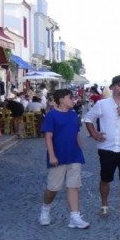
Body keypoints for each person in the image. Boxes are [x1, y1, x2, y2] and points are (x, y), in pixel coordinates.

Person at [84, 75, 120, 224]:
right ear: (112, 87)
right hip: (106, 148)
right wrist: (94, 134)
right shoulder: (102, 104)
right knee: (105, 179)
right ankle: (104, 204)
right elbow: (88, 119)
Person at [38, 89, 89, 229]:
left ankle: (75, 216)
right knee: (53, 188)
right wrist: (52, 155)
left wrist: (79, 145)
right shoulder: (51, 116)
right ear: (61, 99)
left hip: (74, 155)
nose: (73, 100)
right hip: (58, 156)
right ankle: (45, 209)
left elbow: (76, 132)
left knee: (74, 186)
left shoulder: (73, 115)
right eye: (70, 97)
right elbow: (48, 137)